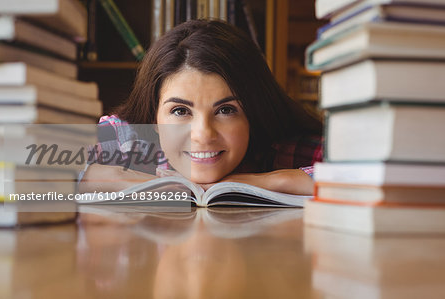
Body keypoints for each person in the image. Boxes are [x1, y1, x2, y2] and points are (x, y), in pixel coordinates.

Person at [79, 19, 322, 195]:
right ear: (154, 118)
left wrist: (273, 182)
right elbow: (43, 160)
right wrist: (116, 177)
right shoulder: (128, 141)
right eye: (180, 111)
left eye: (226, 110)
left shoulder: (275, 148)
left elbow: (354, 169)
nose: (203, 134)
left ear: (252, 115)